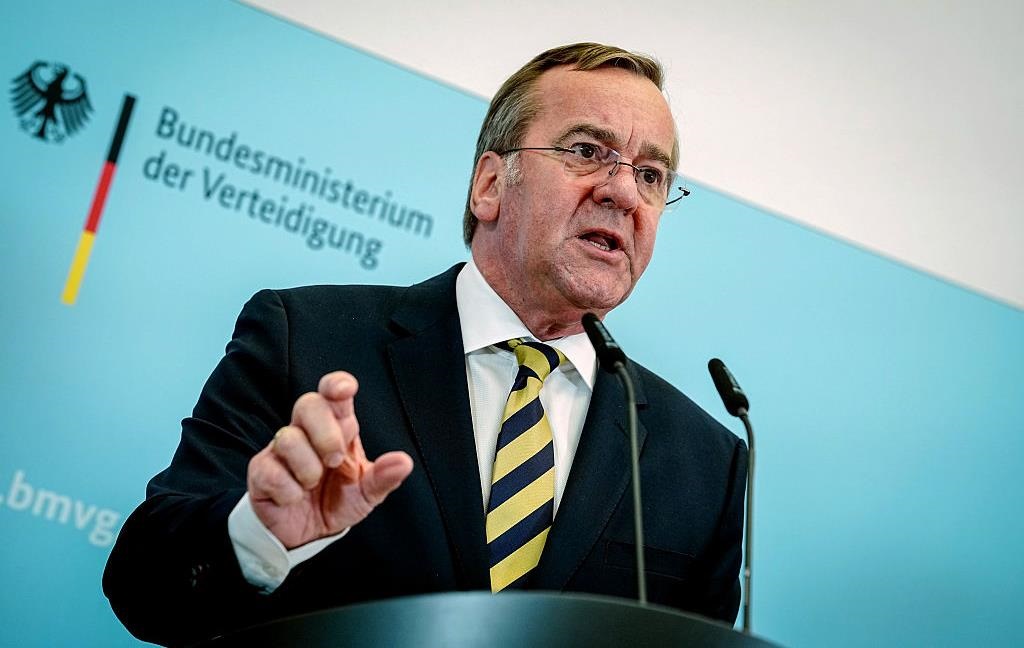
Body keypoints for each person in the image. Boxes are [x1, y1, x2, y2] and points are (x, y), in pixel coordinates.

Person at [103, 42, 748, 646]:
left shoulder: (707, 464)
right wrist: (258, 535)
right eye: (586, 151)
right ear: (490, 185)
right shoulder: (306, 338)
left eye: (652, 175)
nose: (624, 193)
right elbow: (142, 586)